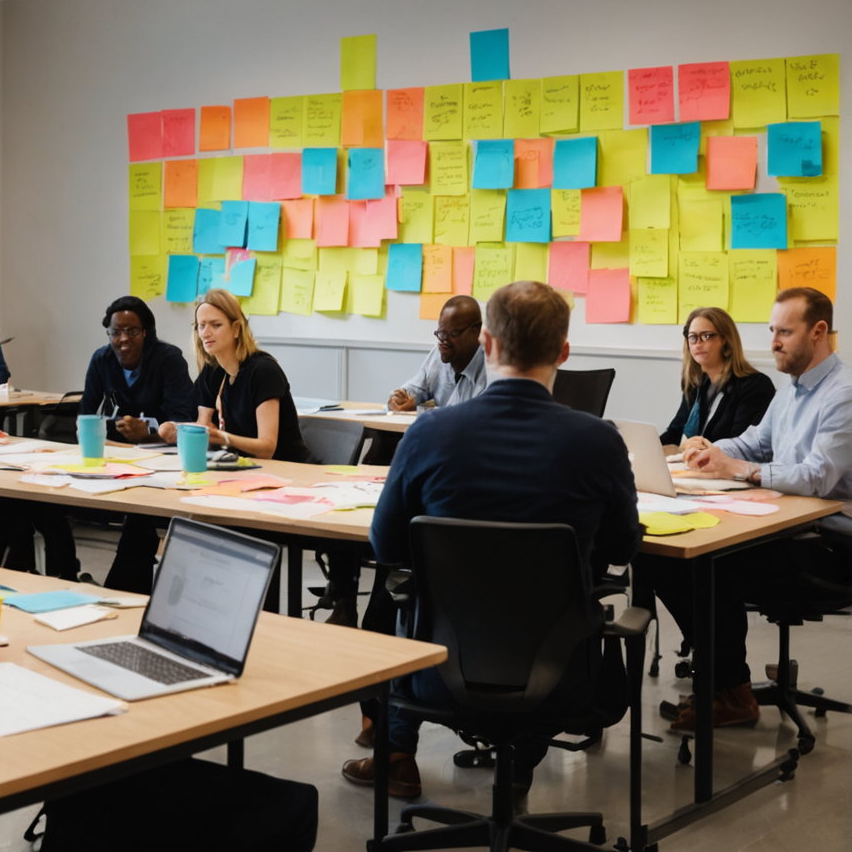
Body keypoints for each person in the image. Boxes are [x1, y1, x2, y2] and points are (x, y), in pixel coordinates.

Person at [341, 282, 641, 799]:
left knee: (397, 597)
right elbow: (620, 551)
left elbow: (386, 545)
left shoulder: (428, 435)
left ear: (489, 345)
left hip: (439, 668)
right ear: (564, 353)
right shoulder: (599, 441)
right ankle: (520, 759)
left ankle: (395, 755)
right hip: (562, 670)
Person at [642, 288, 852, 732]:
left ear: (818, 333)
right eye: (772, 331)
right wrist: (708, 452)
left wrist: (739, 467)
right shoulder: (792, 391)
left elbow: (817, 477)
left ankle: (731, 690)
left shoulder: (843, 394)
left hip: (828, 546)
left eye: (784, 332)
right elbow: (754, 441)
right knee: (657, 558)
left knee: (708, 563)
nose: (773, 341)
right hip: (787, 530)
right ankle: (725, 684)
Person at [81, 295, 198, 592]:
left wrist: (147, 433)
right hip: (122, 459)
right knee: (43, 506)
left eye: (132, 331)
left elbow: (183, 420)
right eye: (115, 332)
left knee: (140, 514)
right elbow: (85, 413)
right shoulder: (101, 359)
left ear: (146, 332)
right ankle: (65, 571)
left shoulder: (168, 359)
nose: (122, 340)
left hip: (168, 459)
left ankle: (122, 592)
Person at [192, 290, 310, 464]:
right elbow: (203, 425)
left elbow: (267, 448)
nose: (205, 333)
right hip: (241, 469)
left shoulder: (263, 371)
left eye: (215, 325)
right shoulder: (212, 372)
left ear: (236, 329)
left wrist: (221, 437)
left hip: (285, 471)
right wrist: (175, 429)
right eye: (201, 326)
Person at [659, 306, 776, 449]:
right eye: (693, 338)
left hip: (728, 469)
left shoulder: (755, 386)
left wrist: (682, 450)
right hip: (691, 467)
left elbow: (741, 448)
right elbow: (674, 433)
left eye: (706, 336)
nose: (698, 344)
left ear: (725, 339)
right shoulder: (696, 385)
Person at [387, 295, 488, 411]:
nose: (444, 341)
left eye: (453, 334)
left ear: (475, 331)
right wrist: (400, 399)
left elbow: (475, 418)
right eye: (441, 333)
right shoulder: (441, 352)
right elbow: (418, 388)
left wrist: (422, 409)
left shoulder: (491, 367)